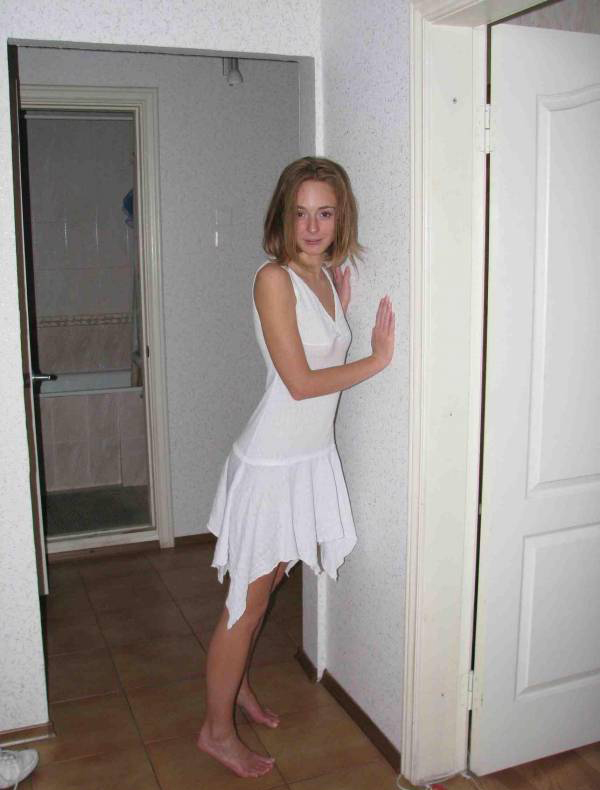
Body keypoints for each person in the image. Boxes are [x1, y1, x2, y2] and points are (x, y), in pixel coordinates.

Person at [197, 157, 395, 778]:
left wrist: (338, 310)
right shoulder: (273, 278)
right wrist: (376, 360)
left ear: (340, 218)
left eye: (325, 213)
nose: (312, 226)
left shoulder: (326, 278)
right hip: (270, 464)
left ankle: (239, 689)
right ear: (283, 216)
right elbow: (301, 384)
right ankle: (215, 731)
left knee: (266, 589)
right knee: (245, 605)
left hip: (305, 459)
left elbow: (319, 351)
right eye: (301, 213)